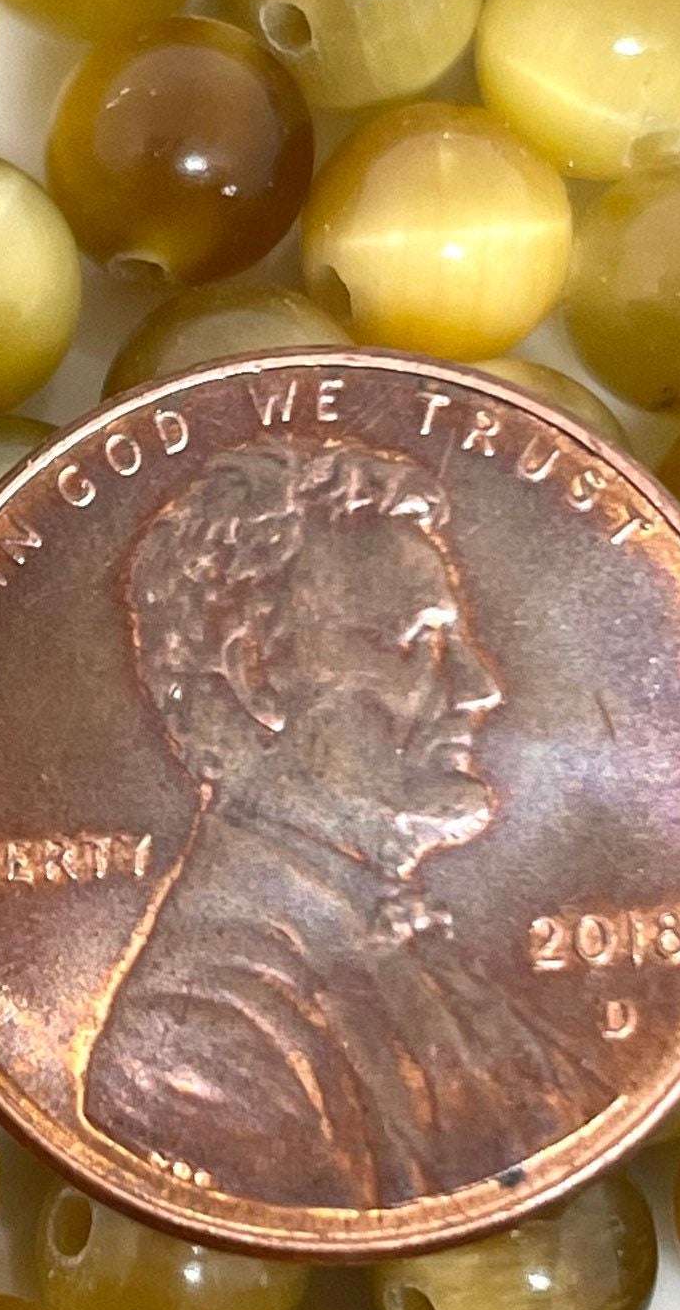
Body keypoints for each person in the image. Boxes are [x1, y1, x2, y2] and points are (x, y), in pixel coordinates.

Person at [81, 432, 604, 1210]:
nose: (480, 686)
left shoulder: (410, 949)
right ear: (257, 672)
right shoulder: (193, 1046)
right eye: (416, 642)